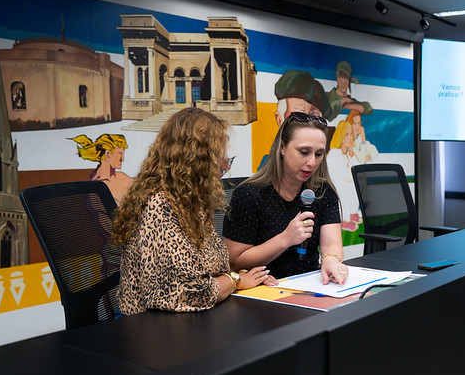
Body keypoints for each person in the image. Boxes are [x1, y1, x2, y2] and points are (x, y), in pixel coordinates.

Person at [111, 107, 270, 316]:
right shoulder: (159, 205)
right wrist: (236, 281)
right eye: (220, 155)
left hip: (186, 318)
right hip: (148, 325)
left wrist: (246, 278)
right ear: (197, 159)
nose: (225, 164)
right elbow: (185, 293)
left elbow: (209, 270)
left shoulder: (188, 201)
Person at [222, 112, 348, 284]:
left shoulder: (322, 192)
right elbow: (234, 262)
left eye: (319, 154)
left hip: (310, 283)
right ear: (282, 147)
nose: (312, 162)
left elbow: (332, 243)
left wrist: (331, 260)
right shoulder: (249, 195)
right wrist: (285, 239)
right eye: (304, 152)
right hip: (263, 288)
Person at [73, 133, 135, 204]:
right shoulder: (97, 186)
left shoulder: (121, 177)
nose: (122, 159)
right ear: (108, 155)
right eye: (120, 153)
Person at [326, 120, 362, 230]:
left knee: (355, 187)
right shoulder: (335, 153)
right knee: (345, 190)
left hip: (345, 182)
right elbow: (337, 176)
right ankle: (344, 219)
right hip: (335, 186)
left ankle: (352, 213)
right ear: (340, 136)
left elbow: (357, 169)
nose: (350, 138)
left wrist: (352, 153)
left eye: (351, 134)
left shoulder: (347, 153)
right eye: (346, 134)